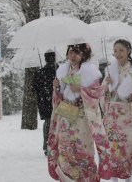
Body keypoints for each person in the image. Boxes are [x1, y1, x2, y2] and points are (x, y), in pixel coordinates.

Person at [47, 43, 111, 181]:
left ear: (84, 55)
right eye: (70, 52)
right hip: (66, 115)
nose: (73, 56)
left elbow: (97, 93)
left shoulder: (90, 72)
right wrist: (57, 89)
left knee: (83, 150)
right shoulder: (63, 71)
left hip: (83, 117)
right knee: (65, 149)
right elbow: (60, 97)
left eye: (77, 52)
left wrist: (81, 90)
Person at [101, 39, 132, 182]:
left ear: (128, 50)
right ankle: (114, 178)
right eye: (115, 50)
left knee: (128, 148)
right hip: (112, 115)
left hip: (129, 115)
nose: (118, 54)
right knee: (112, 146)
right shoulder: (110, 70)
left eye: (121, 50)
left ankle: (127, 177)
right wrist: (107, 86)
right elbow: (103, 94)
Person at [33, 51, 58, 156]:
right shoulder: (59, 71)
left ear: (45, 59)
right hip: (58, 100)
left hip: (45, 102)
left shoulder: (40, 72)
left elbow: (35, 88)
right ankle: (58, 145)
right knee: (59, 123)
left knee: (48, 123)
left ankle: (47, 145)